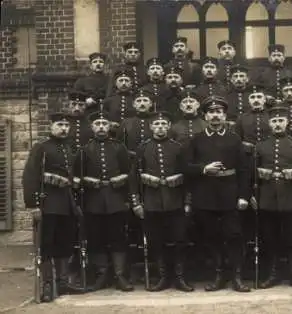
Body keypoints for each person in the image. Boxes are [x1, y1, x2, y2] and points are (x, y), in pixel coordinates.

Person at [184, 95, 251, 293]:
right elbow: (186, 166)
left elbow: (244, 170)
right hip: (205, 196)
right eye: (211, 112)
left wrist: (243, 196)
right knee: (211, 237)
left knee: (234, 235)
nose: (215, 116)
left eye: (219, 112)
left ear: (224, 115)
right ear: (204, 116)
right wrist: (204, 169)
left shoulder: (234, 138)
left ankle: (237, 276)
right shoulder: (196, 139)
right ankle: (219, 275)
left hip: (230, 195)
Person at [23, 112, 84, 302]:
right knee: (47, 244)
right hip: (48, 202)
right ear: (51, 126)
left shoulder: (70, 148)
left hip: (66, 203)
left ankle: (63, 282)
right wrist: (33, 204)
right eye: (59, 125)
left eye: (66, 126)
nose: (64, 128)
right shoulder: (41, 148)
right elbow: (30, 176)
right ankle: (48, 285)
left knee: (65, 243)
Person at [129, 111, 194, 292]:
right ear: (151, 127)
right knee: (156, 241)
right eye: (156, 125)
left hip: (176, 202)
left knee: (180, 240)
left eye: (163, 124)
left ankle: (180, 277)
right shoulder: (143, 148)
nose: (160, 128)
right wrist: (136, 203)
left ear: (168, 127)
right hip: (151, 202)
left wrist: (188, 201)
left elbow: (188, 177)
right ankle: (163, 277)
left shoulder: (178, 147)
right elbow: (134, 178)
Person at [73, 111, 134, 292]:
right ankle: (101, 275)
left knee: (118, 237)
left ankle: (119, 275)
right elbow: (76, 176)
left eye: (104, 124)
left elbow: (129, 173)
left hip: (116, 199)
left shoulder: (119, 147)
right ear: (92, 127)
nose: (101, 127)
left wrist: (125, 190)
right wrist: (85, 181)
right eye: (97, 124)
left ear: (110, 127)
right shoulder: (84, 150)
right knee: (96, 237)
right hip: (93, 200)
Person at [254, 106, 292, 289]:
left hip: (291, 198)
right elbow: (254, 176)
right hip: (267, 199)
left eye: (281, 121)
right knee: (270, 238)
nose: (277, 124)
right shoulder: (261, 146)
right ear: (269, 124)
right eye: (274, 121)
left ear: (287, 123)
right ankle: (273, 274)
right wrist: (255, 197)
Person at [116, 89, 155, 155]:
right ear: (134, 104)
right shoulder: (126, 122)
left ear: (151, 104)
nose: (142, 103)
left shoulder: (156, 121)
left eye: (145, 100)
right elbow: (120, 144)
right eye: (139, 101)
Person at [102, 68, 136, 134]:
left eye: (126, 81)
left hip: (131, 132)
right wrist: (109, 123)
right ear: (115, 83)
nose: (123, 83)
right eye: (121, 80)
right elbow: (102, 117)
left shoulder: (136, 99)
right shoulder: (108, 101)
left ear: (131, 83)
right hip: (113, 132)